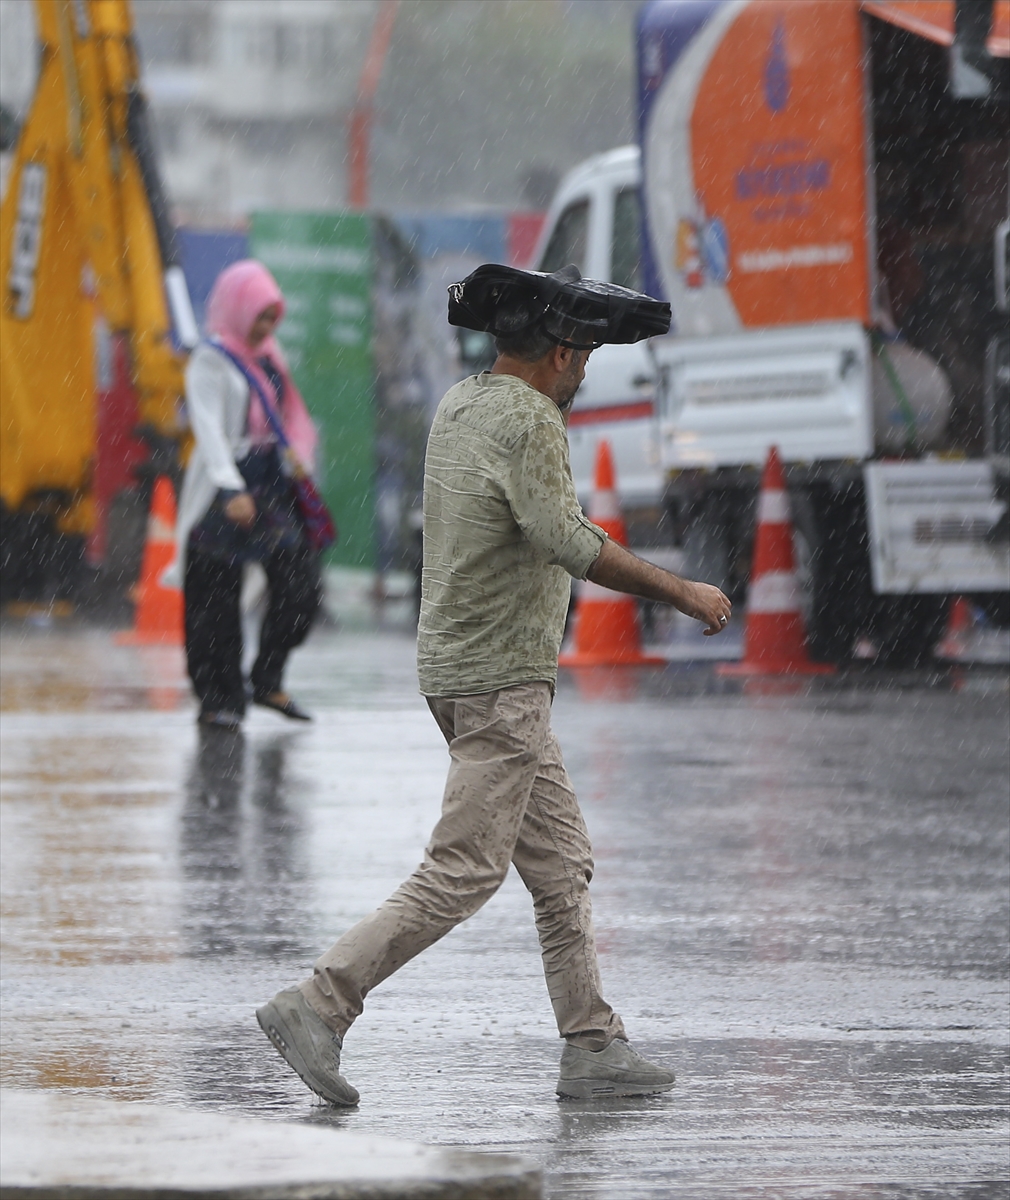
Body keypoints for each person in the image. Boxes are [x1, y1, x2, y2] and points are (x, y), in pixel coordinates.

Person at [256, 265, 731, 1104]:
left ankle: (592, 1043)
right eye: (584, 357)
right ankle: (320, 1004)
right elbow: (568, 540)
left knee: (561, 865)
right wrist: (681, 590)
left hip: (458, 670)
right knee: (464, 869)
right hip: (500, 682)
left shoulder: (462, 402)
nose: (584, 375)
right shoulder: (529, 420)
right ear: (560, 354)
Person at [166, 260, 323, 730]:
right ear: (237, 309)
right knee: (213, 599)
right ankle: (219, 698)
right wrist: (230, 486)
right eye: (259, 316)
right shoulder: (209, 359)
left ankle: (267, 679)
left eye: (273, 317)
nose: (266, 326)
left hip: (270, 484)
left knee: (300, 586)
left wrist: (299, 457)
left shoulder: (269, 355)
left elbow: (291, 414)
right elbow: (208, 428)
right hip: (224, 489)